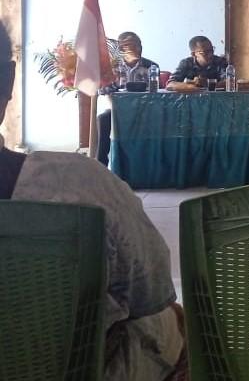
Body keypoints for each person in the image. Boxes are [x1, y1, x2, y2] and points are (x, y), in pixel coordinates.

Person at [0, 24, 184, 380]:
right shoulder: (81, 187)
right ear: (8, 80)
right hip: (65, 368)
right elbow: (153, 291)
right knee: (169, 321)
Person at [97, 32, 159, 166]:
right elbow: (104, 91)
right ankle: (101, 165)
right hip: (117, 110)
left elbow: (155, 94)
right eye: (130, 45)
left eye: (137, 45)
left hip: (144, 110)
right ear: (121, 49)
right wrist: (116, 109)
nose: (136, 48)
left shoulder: (151, 66)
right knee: (103, 119)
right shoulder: (112, 67)